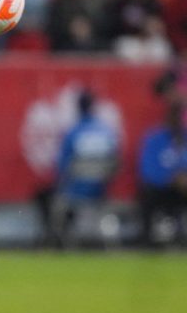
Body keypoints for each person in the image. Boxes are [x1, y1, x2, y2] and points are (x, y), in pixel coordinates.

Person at [34, 88, 120, 247]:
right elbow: (115, 162)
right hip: (100, 190)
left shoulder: (73, 132)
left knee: (47, 196)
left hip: (76, 191)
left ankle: (60, 242)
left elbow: (61, 166)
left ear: (78, 108)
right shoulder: (107, 132)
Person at [137, 71, 187, 245]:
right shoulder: (155, 137)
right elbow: (148, 170)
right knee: (147, 194)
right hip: (162, 188)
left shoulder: (184, 137)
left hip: (182, 189)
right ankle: (147, 240)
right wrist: (171, 179)